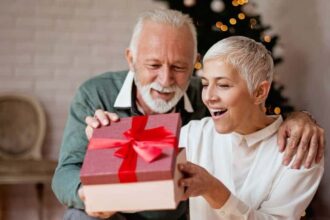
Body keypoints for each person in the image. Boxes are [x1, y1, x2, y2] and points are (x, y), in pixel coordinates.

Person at [52, 9, 324, 220]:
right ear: (131, 59)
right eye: (154, 65)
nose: (166, 79)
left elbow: (251, 110)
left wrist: (300, 117)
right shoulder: (96, 93)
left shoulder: (204, 97)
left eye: (179, 67)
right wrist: (105, 139)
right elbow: (73, 169)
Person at [177, 36, 324, 219]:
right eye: (206, 84)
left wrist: (212, 189)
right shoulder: (193, 135)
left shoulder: (300, 150)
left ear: (259, 92)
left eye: (223, 85)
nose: (209, 96)